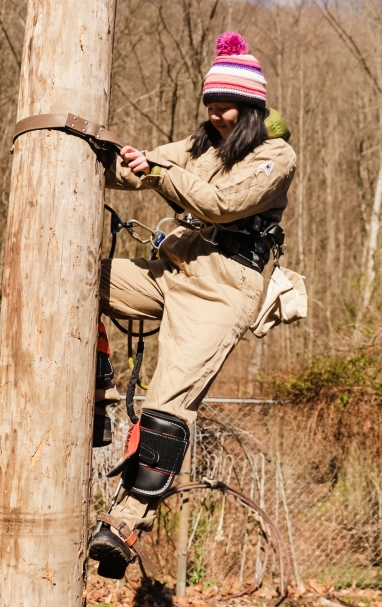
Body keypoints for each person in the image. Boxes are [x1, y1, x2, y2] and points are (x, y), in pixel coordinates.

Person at [88, 32, 296, 577]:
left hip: (224, 287)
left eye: (226, 106)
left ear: (251, 107)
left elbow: (222, 204)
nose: (217, 115)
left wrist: (156, 171)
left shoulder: (277, 156)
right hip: (173, 267)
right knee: (82, 280)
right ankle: (94, 384)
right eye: (210, 105)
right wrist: (100, 152)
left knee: (168, 402)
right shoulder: (198, 145)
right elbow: (135, 171)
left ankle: (127, 522)